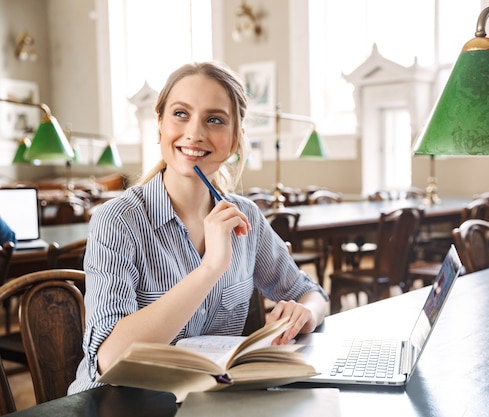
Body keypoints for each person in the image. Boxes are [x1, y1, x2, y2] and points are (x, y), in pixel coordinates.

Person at [68, 61, 328, 394]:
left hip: (207, 403)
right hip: (117, 404)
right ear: (160, 124)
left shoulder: (246, 216)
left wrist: (304, 312)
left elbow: (313, 294)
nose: (195, 133)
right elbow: (110, 358)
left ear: (234, 139)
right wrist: (210, 268)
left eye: (215, 120)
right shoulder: (117, 221)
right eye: (180, 114)